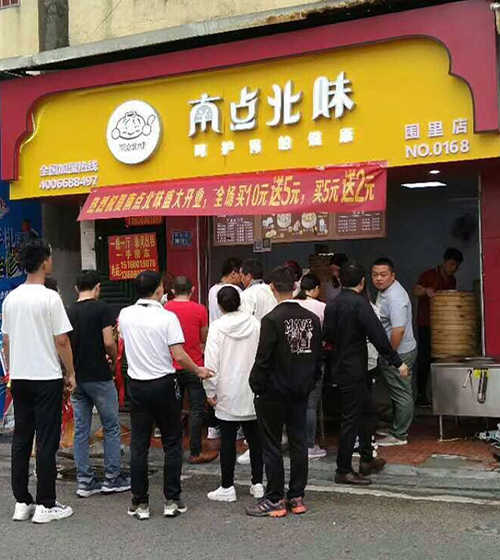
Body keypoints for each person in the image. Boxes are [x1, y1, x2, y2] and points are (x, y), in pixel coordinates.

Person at [118, 271, 211, 520]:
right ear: (159, 290)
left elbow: (123, 343)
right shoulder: (167, 317)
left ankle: (140, 502)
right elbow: (178, 354)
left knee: (139, 444)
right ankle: (172, 499)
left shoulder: (125, 314)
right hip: (164, 384)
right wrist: (198, 370)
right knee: (171, 441)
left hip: (137, 385)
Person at [1, 239, 75, 523]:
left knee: (21, 438)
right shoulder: (50, 298)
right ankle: (46, 504)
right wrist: (71, 372)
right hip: (46, 377)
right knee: (46, 440)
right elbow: (62, 340)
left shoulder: (11, 299)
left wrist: (12, 370)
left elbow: (7, 341)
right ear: (44, 262)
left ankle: (22, 501)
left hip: (19, 377)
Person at [247, 266, 322, 518]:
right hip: (301, 390)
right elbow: (318, 357)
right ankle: (297, 496)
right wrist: (311, 382)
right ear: (296, 286)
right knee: (299, 443)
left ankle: (275, 498)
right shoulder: (312, 319)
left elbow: (263, 359)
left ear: (271, 287)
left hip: (273, 391)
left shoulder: (271, 320)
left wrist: (256, 385)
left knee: (272, 445)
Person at [324, 262, 408, 485]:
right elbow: (378, 336)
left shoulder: (332, 304)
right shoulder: (361, 304)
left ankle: (367, 459)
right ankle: (343, 469)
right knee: (351, 419)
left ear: (340, 281)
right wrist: (397, 362)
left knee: (367, 413)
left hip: (341, 367)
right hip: (356, 368)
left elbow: (328, 336)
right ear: (362, 282)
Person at [67, 270, 130, 498]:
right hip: (100, 376)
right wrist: (113, 360)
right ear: (97, 288)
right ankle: (112, 478)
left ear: (76, 288)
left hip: (78, 377)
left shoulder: (68, 310)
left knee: (81, 430)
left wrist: (69, 372)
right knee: (111, 427)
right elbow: (109, 342)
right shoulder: (103, 308)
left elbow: (63, 343)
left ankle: (85, 481)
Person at [203, 286, 264, 502]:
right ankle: (257, 484)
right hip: (252, 389)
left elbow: (211, 362)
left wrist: (210, 390)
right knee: (255, 440)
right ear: (239, 302)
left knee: (227, 441)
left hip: (226, 390)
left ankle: (227, 486)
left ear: (219, 305)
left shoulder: (217, 327)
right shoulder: (255, 324)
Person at [164, 275, 213, 464]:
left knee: (173, 410)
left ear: (173, 291)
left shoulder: (166, 309)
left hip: (171, 366)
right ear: (192, 290)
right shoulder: (200, 309)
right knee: (196, 410)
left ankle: (173, 451)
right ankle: (195, 451)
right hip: (194, 365)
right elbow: (204, 336)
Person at [371, 258, 417, 446]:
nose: (379, 279)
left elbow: (398, 330)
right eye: (375, 275)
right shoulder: (385, 291)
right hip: (394, 351)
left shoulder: (395, 297)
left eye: (383, 275)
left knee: (402, 393)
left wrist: (391, 356)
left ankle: (400, 435)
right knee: (396, 391)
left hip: (399, 352)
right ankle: (396, 427)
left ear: (392, 276)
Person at [413, 248, 463, 406]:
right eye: (451, 264)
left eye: (456, 266)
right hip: (426, 324)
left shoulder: (452, 280)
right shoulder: (429, 275)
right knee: (424, 359)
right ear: (445, 261)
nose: (453, 268)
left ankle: (439, 396)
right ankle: (420, 395)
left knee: (440, 359)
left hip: (443, 326)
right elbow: (415, 290)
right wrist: (425, 290)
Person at [295, 273, 327, 459]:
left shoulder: (292, 304)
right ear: (315, 289)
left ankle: (294, 441)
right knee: (311, 405)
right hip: (314, 359)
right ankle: (309, 445)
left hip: (292, 360)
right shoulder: (321, 307)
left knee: (294, 403)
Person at [208, 257, 242, 323]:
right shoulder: (236, 290)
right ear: (233, 274)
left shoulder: (212, 290)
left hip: (215, 328)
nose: (241, 278)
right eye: (240, 274)